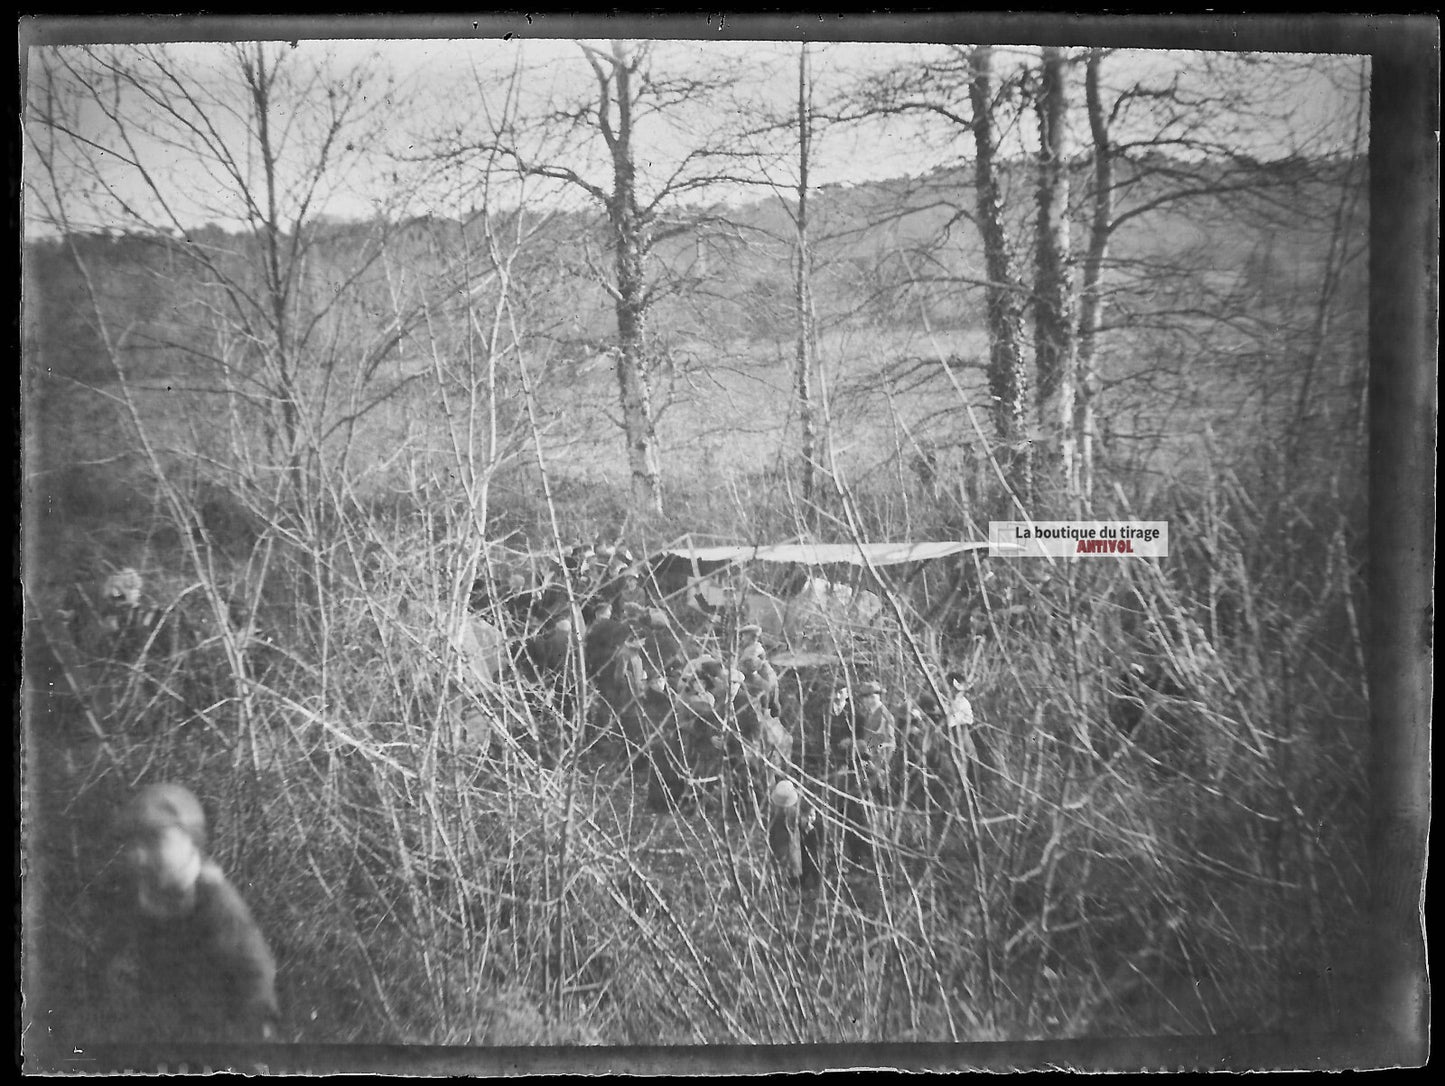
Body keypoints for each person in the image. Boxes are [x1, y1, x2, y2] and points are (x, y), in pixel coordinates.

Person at [103, 783, 280, 1044]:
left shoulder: (215, 901)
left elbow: (254, 970)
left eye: (155, 842)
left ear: (191, 842)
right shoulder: (145, 897)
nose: (141, 856)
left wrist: (258, 1027)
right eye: (135, 844)